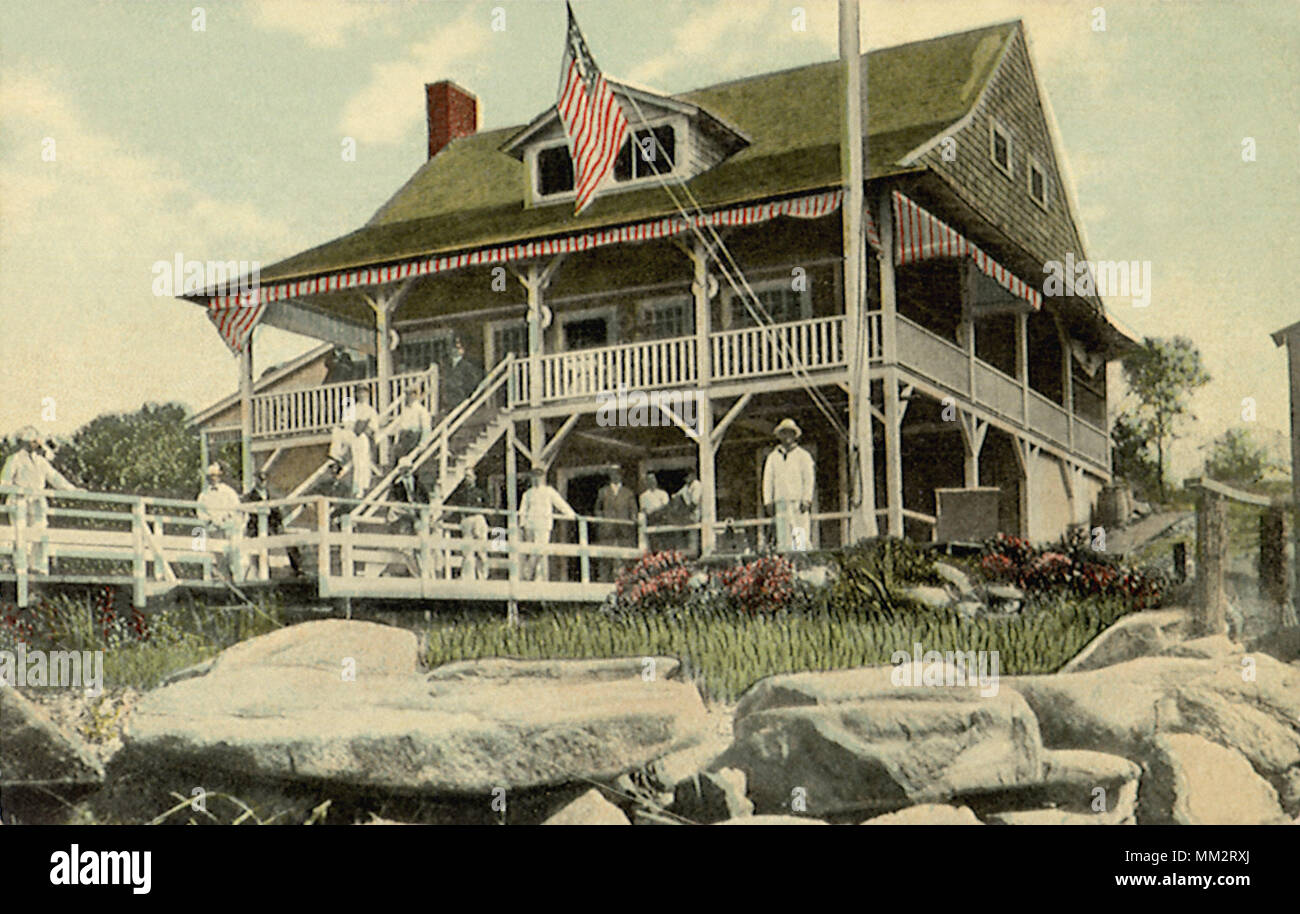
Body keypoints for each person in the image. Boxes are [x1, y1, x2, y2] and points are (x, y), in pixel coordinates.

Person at [1, 427, 79, 574]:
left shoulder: (41, 461)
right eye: (31, 441)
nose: (35, 444)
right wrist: (18, 492)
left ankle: (38, 568)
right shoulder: (14, 459)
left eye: (36, 441)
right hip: (19, 503)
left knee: (41, 533)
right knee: (21, 536)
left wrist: (72, 490)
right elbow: (5, 483)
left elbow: (55, 478)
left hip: (37, 503)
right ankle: (20, 567)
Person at [761, 417, 816, 552]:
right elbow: (767, 480)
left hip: (798, 503)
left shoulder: (803, 456)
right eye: (784, 433)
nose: (787, 436)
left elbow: (808, 479)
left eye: (790, 433)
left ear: (795, 435)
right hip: (781, 502)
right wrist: (768, 501)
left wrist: (807, 499)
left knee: (800, 539)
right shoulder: (773, 457)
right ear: (780, 436)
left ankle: (801, 566)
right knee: (783, 539)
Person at [518, 467, 575, 582]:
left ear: (543, 478)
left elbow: (560, 503)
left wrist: (571, 514)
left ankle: (528, 572)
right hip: (530, 525)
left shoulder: (549, 491)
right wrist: (522, 524)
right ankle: (536, 578)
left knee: (541, 550)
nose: (537, 480)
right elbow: (523, 510)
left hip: (543, 524)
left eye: (539, 477)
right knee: (532, 550)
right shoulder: (528, 493)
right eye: (534, 477)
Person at [243, 471, 302, 576]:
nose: (262, 482)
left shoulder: (271, 497)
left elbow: (277, 515)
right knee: (260, 552)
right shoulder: (248, 497)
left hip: (272, 527)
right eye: (259, 480)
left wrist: (279, 525)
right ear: (255, 480)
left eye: (264, 480)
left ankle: (297, 569)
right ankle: (265, 573)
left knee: (290, 541)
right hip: (256, 529)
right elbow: (248, 516)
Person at [197, 463, 245, 580]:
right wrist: (209, 520)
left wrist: (225, 518)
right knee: (218, 555)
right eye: (210, 476)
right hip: (214, 528)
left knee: (233, 554)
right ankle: (225, 579)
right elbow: (200, 511)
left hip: (228, 527)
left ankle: (238, 578)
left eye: (215, 476)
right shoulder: (204, 495)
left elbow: (236, 508)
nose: (212, 479)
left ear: (219, 476)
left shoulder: (228, 491)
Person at [594, 469, 637, 582]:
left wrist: (632, 519)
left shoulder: (628, 492)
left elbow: (633, 510)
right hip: (608, 531)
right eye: (613, 473)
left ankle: (626, 582)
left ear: (621, 476)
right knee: (606, 558)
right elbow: (597, 509)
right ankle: (604, 582)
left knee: (625, 558)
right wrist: (602, 521)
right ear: (610, 475)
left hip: (624, 531)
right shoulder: (603, 491)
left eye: (618, 473)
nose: (616, 476)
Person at [449, 467, 490, 581]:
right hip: (467, 520)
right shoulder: (461, 493)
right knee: (468, 550)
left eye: (470, 476)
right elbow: (452, 508)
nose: (468, 479)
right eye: (466, 476)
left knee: (481, 550)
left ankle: (483, 576)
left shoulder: (481, 493)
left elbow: (489, 508)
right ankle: (468, 577)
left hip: (479, 519)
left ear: (475, 478)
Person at [389, 383, 433, 470]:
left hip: (413, 440)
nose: (409, 397)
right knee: (397, 466)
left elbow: (426, 429)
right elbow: (400, 427)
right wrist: (397, 441)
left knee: (411, 467)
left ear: (416, 395)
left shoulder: (421, 410)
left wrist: (422, 445)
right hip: (403, 441)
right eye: (407, 394)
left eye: (412, 394)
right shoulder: (405, 410)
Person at [440, 335, 484, 414]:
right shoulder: (446, 365)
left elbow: (473, 380)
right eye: (454, 348)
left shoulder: (467, 366)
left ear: (463, 350)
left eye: (458, 348)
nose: (455, 350)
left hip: (460, 396)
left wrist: (465, 392)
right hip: (448, 397)